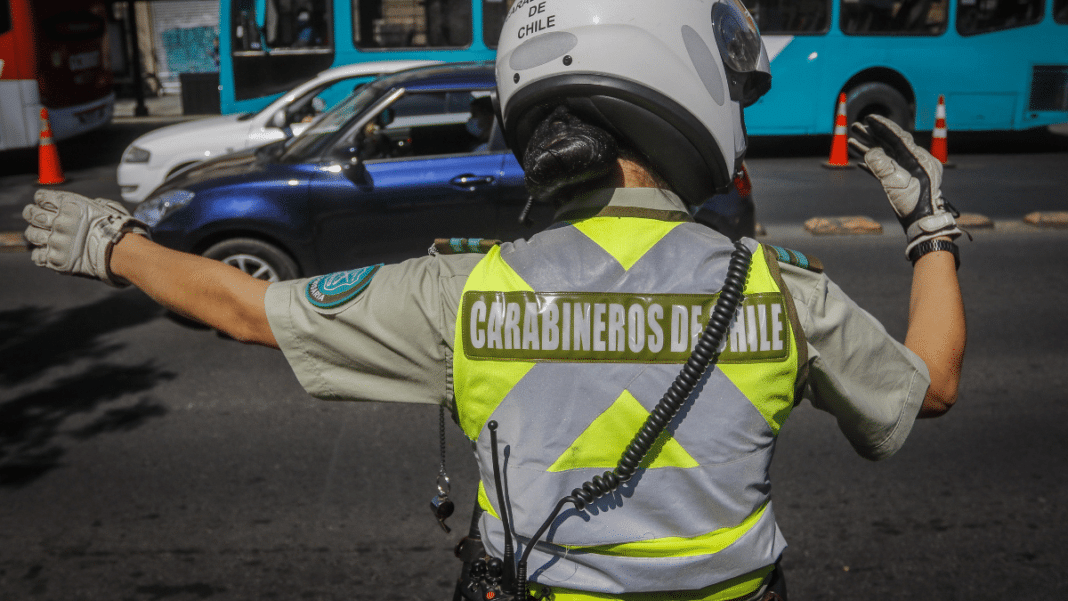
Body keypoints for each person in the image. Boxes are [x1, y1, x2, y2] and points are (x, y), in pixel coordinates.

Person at [21, 1, 965, 600]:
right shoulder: (782, 293)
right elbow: (928, 385)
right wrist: (930, 229)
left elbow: (240, 306)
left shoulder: (467, 291)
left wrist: (118, 244)